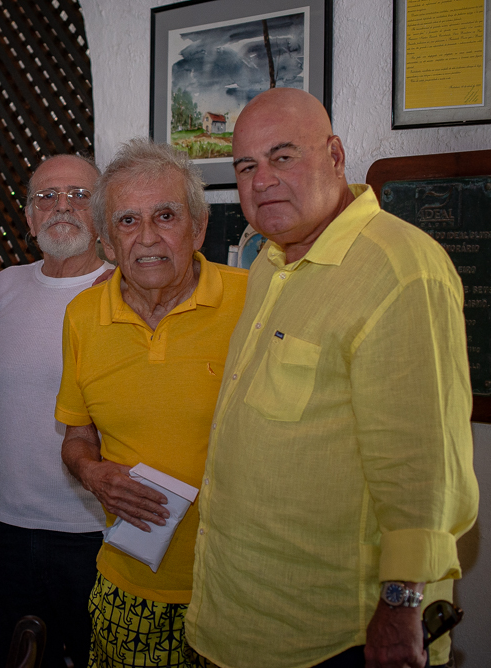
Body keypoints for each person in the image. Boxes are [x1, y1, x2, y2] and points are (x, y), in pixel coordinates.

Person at [185, 88, 479, 668]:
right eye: (246, 166)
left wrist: (401, 606)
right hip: (237, 621)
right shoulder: (269, 263)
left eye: (282, 156)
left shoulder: (400, 269)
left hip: (334, 638)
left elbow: (424, 472)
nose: (262, 180)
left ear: (336, 156)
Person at [56, 138, 247, 668]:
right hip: (130, 584)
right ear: (107, 244)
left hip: (242, 589)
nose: (148, 239)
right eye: (127, 222)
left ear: (199, 227)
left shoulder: (253, 301)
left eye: (165, 215)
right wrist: (94, 475)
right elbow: (76, 439)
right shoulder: (81, 316)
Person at [0, 154, 111, 668]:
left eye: (79, 195)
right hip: (8, 535)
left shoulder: (123, 291)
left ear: (104, 214)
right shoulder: (3, 287)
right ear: (28, 219)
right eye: (45, 197)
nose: (61, 207)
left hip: (98, 539)